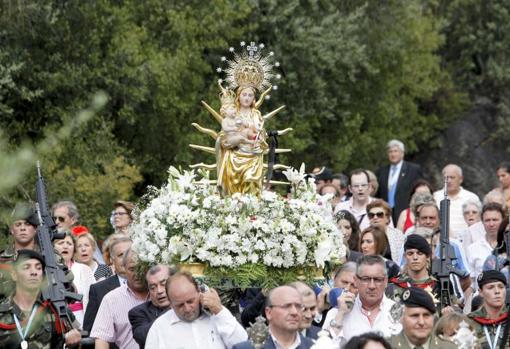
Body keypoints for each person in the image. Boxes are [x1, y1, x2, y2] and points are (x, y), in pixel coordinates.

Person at [0, 249, 81, 348]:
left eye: (38, 268)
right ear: (14, 275)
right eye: (26, 267)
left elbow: (80, 338)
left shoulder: (56, 308)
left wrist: (75, 341)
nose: (34, 272)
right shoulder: (2, 312)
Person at [146, 271, 248, 348]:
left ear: (199, 292)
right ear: (170, 303)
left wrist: (219, 311)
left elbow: (243, 344)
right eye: (180, 305)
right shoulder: (159, 328)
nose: (187, 309)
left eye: (190, 301)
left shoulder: (217, 315)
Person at [323, 255, 399, 346]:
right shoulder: (337, 312)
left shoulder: (400, 313)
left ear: (386, 281)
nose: (371, 286)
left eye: (377, 280)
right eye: (365, 279)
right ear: (356, 281)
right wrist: (340, 314)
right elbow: (323, 345)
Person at [216, 82, 268, 197]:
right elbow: (224, 136)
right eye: (244, 94)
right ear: (238, 96)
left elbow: (261, 134)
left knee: (251, 183)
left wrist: (260, 140)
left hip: (253, 156)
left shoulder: (256, 114)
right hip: (234, 156)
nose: (247, 98)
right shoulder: (233, 113)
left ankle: (251, 211)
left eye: (250, 95)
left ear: (254, 98)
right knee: (233, 193)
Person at [90, 247, 147, 349]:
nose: (137, 274)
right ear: (124, 268)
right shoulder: (111, 299)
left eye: (140, 268)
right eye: (132, 269)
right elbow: (101, 339)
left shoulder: (160, 294)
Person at [233, 285, 313, 349]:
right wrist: (262, 295)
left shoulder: (315, 346)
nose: (294, 312)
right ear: (269, 312)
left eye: (298, 306)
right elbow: (246, 317)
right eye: (286, 306)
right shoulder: (244, 347)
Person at [83, 236, 132, 338]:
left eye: (129, 253)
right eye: (120, 255)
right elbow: (89, 332)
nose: (126, 258)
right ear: (112, 260)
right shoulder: (98, 290)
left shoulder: (149, 284)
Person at [388, 287, 456, 349]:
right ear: (402, 318)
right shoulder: (385, 346)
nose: (421, 322)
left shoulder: (449, 347)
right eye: (414, 316)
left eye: (426, 315)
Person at [53, 230, 95, 327]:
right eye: (61, 243)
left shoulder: (84, 269)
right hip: (57, 321)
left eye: (69, 243)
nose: (65, 246)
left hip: (81, 319)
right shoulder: (47, 270)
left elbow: (93, 300)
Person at [376, 139, 424, 224]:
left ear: (402, 153)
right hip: (385, 213)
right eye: (390, 151)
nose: (393, 154)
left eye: (395, 151)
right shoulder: (382, 171)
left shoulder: (413, 169)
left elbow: (420, 190)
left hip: (405, 212)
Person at [128, 264, 174, 349]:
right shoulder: (138, 312)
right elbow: (143, 337)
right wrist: (173, 308)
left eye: (163, 284)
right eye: (153, 287)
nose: (159, 291)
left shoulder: (187, 304)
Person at [0, 204, 39, 297]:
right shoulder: (1, 260)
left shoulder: (50, 256)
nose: (22, 228)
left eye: (27, 224)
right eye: (18, 224)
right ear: (12, 230)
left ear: (35, 229)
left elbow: (70, 289)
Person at [433, 164, 480, 239]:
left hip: (467, 240)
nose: (448, 181)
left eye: (452, 177)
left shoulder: (471, 197)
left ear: (461, 179)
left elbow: (478, 223)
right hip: (441, 240)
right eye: (446, 178)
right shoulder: (435, 197)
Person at [468, 270, 510, 348]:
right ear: (481, 292)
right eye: (490, 287)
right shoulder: (468, 322)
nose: (497, 291)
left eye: (501, 287)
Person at [467, 202, 506, 284]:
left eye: (495, 220)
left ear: (503, 221)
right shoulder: (472, 249)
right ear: (482, 222)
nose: (491, 224)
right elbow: (470, 282)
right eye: (487, 220)